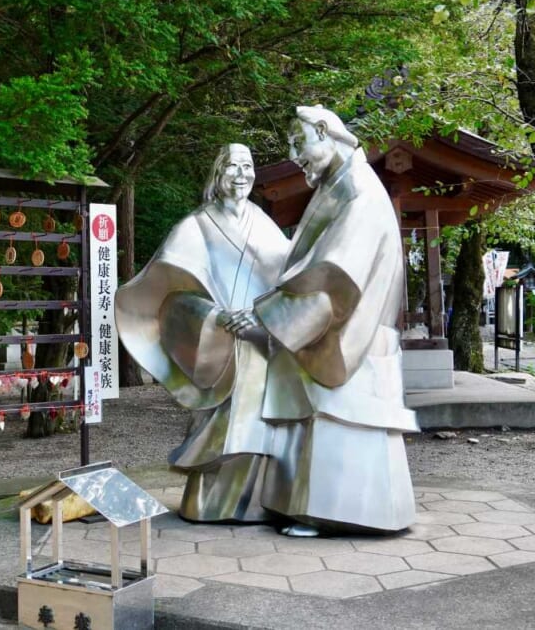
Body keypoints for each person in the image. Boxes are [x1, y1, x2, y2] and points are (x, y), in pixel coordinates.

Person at [231, 105, 419, 534]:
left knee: (340, 421)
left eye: (298, 143)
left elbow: (334, 275)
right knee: (322, 422)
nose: (294, 155)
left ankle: (333, 513)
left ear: (322, 130)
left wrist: (270, 318)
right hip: (343, 331)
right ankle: (315, 509)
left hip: (349, 332)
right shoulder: (342, 185)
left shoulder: (359, 192)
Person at [115, 144, 290, 522]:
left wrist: (264, 317)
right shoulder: (196, 225)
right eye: (233, 166)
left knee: (260, 425)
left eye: (248, 166)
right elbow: (169, 290)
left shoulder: (262, 222)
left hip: (258, 342)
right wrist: (215, 317)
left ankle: (256, 503)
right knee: (223, 424)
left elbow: (289, 277)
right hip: (217, 345)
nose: (241, 174)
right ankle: (212, 504)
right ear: (218, 172)